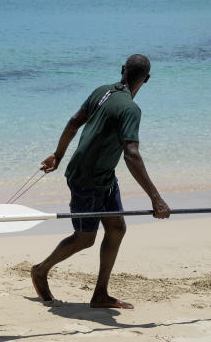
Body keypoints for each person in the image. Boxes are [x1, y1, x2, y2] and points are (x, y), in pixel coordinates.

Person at [31, 54, 170, 309]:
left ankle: (100, 295)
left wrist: (59, 155)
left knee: (116, 229)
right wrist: (156, 198)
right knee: (85, 238)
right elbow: (131, 154)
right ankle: (41, 270)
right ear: (147, 79)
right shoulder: (130, 109)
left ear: (122, 70)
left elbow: (73, 122)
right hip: (86, 179)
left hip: (105, 176)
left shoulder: (102, 91)